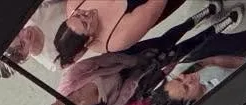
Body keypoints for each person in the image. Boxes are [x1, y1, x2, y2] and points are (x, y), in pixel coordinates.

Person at [53, 0, 187, 67]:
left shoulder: (74, 4)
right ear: (89, 40)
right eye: (85, 23)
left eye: (78, 14)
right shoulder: (116, 39)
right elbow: (152, 10)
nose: (87, 13)